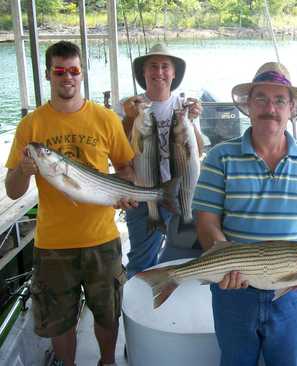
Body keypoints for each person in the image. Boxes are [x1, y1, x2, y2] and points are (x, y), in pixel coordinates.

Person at [192, 62, 297, 366]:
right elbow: (206, 222)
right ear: (248, 106)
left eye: (280, 100)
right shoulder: (220, 157)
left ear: (292, 108)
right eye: (261, 99)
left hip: (294, 294)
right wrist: (225, 260)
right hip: (234, 290)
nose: (270, 108)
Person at [5, 41, 136, 366]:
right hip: (52, 244)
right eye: (60, 71)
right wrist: (23, 169)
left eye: (74, 71)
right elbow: (12, 191)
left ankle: (107, 362)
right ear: (48, 74)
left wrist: (126, 191)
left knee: (107, 313)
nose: (68, 77)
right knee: (58, 319)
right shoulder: (31, 126)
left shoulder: (105, 119)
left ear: (82, 73)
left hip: (102, 239)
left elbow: (126, 167)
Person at [114, 44, 204, 278]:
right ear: (144, 73)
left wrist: (191, 121)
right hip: (143, 195)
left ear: (174, 74)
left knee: (188, 258)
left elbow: (198, 150)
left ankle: (174, 303)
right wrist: (128, 120)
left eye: (166, 67)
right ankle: (140, 307)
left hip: (181, 192)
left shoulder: (183, 107)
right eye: (153, 66)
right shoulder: (128, 107)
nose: (159, 72)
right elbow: (118, 155)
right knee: (141, 261)